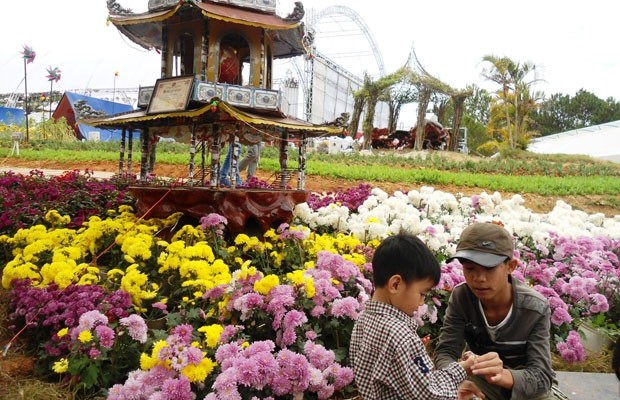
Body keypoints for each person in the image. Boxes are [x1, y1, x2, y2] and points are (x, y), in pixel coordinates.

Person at [434, 222, 567, 400]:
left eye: (489, 268)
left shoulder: (534, 307)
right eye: (470, 268)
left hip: (527, 388)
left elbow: (542, 377)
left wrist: (504, 375)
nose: (479, 278)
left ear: (511, 266)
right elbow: (445, 352)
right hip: (480, 382)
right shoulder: (462, 297)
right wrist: (455, 381)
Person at [350, 233, 484, 399]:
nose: (422, 303)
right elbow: (429, 393)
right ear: (396, 284)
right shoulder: (401, 336)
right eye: (422, 293)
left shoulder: (363, 319)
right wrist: (463, 368)